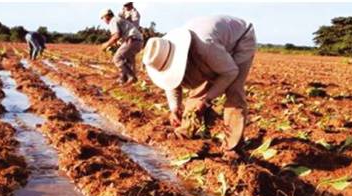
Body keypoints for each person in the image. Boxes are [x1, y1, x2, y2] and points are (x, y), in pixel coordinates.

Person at [142, 15, 256, 152]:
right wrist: (174, 108)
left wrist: (207, 100)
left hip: (240, 39)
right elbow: (171, 83)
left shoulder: (205, 46)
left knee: (233, 90)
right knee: (198, 90)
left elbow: (230, 72)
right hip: (214, 45)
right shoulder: (167, 49)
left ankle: (232, 146)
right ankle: (185, 132)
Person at [100, 8, 143, 85]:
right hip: (138, 41)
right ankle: (123, 79)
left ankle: (132, 77)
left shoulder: (113, 21)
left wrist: (106, 44)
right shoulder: (118, 19)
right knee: (126, 60)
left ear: (106, 17)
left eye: (103, 18)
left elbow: (116, 35)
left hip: (132, 40)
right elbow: (119, 36)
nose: (104, 21)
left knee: (117, 58)